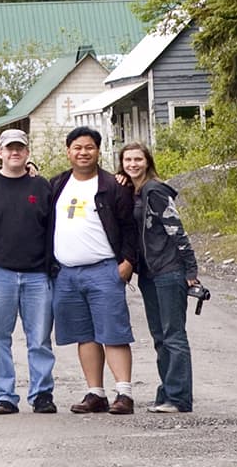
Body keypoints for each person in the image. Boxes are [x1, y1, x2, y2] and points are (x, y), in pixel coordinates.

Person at [47, 126, 139, 414]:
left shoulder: (114, 185)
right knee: (84, 334)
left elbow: (129, 227)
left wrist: (128, 262)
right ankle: (95, 393)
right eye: (77, 147)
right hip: (67, 272)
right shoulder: (58, 184)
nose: (83, 152)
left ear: (98, 151)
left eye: (89, 147)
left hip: (104, 270)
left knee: (113, 332)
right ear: (68, 151)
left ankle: (123, 393)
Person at [0, 129, 56, 414]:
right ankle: (4, 395)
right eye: (9, 148)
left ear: (28, 153)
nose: (15, 152)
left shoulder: (42, 187)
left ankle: (42, 394)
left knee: (40, 338)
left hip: (36, 274)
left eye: (20, 148)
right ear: (0, 153)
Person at [121, 141, 200, 413]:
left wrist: (191, 269)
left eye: (138, 159)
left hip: (169, 270)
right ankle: (166, 393)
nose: (133, 164)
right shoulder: (135, 192)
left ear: (147, 161)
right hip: (149, 274)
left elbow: (176, 230)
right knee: (159, 335)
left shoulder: (155, 190)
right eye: (128, 160)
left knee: (173, 335)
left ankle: (179, 398)